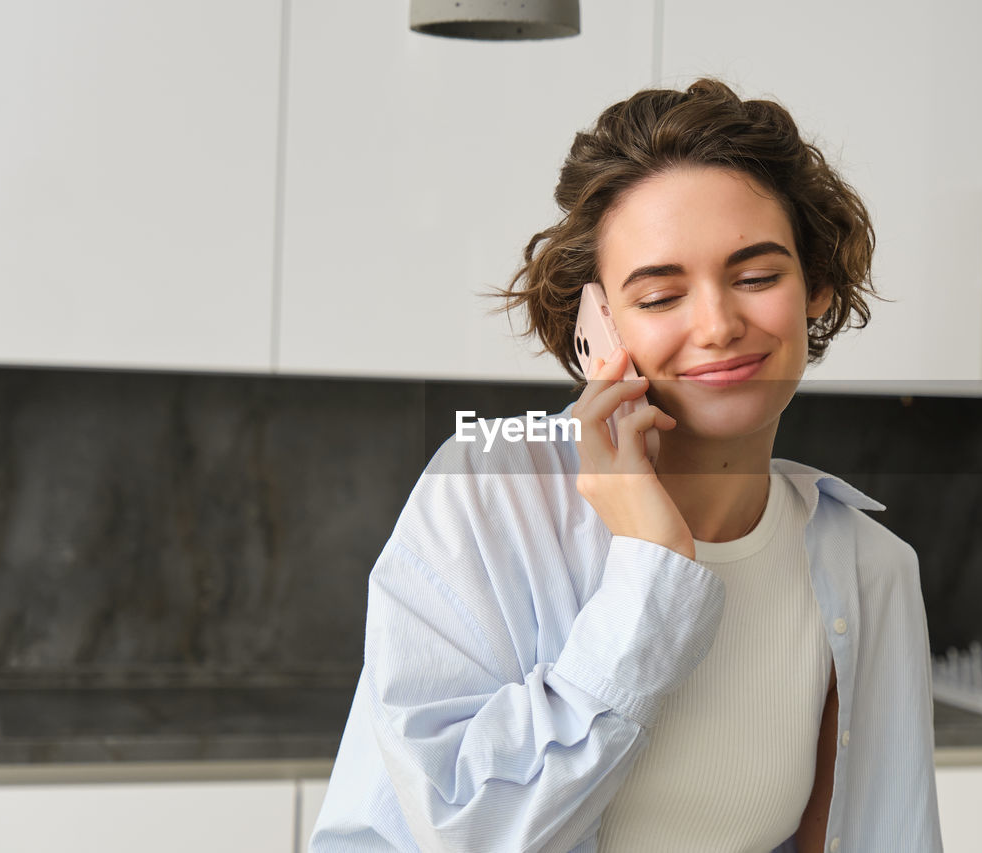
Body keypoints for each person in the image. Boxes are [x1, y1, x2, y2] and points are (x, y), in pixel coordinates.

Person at [311, 78, 942, 852]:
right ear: (595, 324)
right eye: (659, 294)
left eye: (756, 276)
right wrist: (651, 573)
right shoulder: (488, 494)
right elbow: (466, 832)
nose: (717, 324)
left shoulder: (868, 569)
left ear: (815, 289)